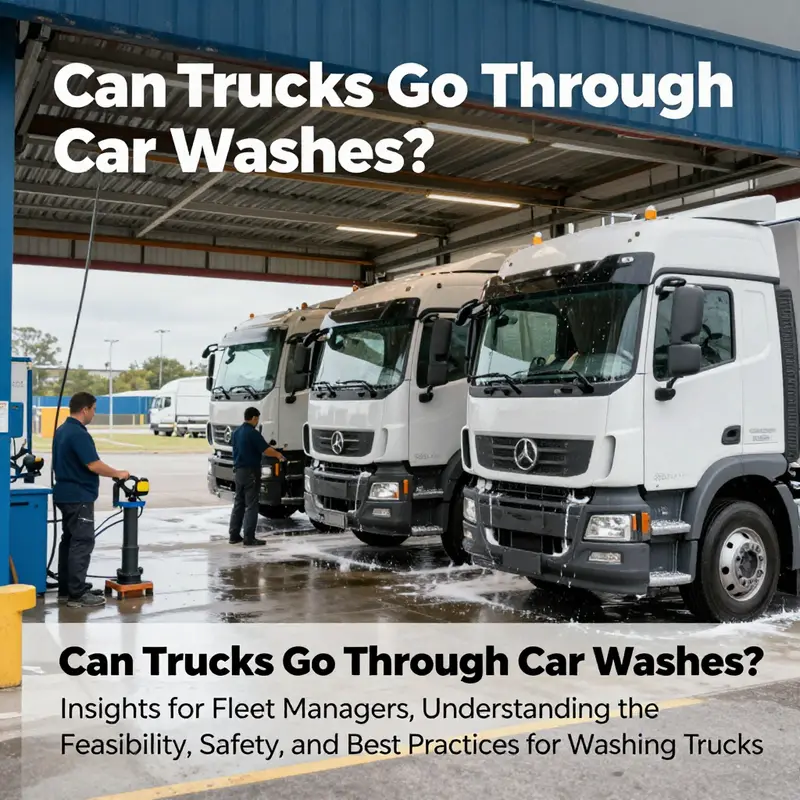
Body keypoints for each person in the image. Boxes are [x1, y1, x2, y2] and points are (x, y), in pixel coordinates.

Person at [52, 392, 130, 608]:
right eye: (94, 409)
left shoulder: (62, 430)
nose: (94, 414)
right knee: (82, 542)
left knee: (69, 541)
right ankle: (77, 595)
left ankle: (67, 589)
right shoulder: (78, 433)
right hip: (79, 497)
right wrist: (117, 473)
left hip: (65, 494)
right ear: (85, 409)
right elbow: (93, 464)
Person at [229, 407, 286, 546]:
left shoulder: (236, 433)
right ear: (254, 418)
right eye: (257, 419)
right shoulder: (252, 433)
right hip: (251, 472)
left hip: (239, 471)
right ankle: (249, 537)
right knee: (252, 505)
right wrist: (279, 455)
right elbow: (266, 449)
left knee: (239, 503)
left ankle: (234, 535)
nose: (257, 422)